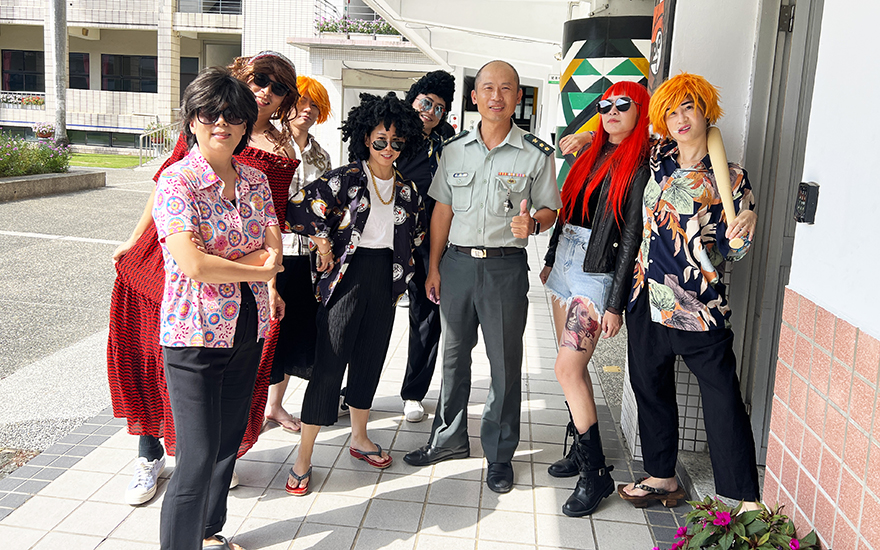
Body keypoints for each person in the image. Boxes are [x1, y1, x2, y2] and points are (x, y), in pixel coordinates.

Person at [107, 50, 300, 506]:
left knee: (229, 384)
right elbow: (164, 187)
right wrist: (134, 239)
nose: (266, 91)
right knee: (156, 360)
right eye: (260, 79)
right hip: (173, 262)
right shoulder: (205, 123)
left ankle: (210, 469)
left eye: (278, 87)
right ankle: (150, 455)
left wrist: (268, 278)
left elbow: (271, 222)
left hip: (241, 279)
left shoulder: (278, 148)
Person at [403, 60, 562, 494]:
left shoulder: (536, 153)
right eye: (488, 88)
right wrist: (434, 267)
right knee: (453, 358)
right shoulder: (454, 149)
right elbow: (442, 211)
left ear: (518, 97)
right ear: (474, 97)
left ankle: (499, 454)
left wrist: (535, 224)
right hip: (456, 265)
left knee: (505, 364)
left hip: (504, 268)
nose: (496, 96)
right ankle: (448, 440)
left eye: (506, 88)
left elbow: (549, 208)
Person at [153, 66, 283, 550]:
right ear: (192, 121)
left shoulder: (255, 179)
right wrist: (256, 268)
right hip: (193, 333)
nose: (221, 123)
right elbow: (193, 265)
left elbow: (273, 249)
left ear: (246, 123)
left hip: (246, 327)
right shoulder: (177, 181)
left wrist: (237, 264)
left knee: (228, 442)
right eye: (210, 114)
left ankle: (209, 532)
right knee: (196, 455)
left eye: (232, 115)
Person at [617, 73, 759, 509]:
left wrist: (747, 222)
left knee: (722, 398)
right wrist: (587, 139)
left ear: (705, 111)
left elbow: (735, 251)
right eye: (671, 111)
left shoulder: (731, 179)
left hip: (697, 303)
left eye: (689, 108)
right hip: (646, 296)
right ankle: (661, 477)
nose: (680, 118)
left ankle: (742, 498)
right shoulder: (658, 157)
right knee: (649, 387)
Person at [283, 92, 426, 496]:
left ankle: (360, 438)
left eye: (396, 142)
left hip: (386, 279)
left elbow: (415, 234)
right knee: (329, 364)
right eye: (380, 140)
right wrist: (323, 242)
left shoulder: (408, 189)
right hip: (347, 277)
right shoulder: (345, 178)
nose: (388, 148)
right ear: (366, 138)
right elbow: (298, 208)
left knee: (370, 360)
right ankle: (303, 457)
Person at [539, 81, 651, 516]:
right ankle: (580, 452)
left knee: (566, 367)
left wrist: (615, 303)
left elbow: (630, 237)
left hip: (597, 272)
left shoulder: (641, 163)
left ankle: (596, 472)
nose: (612, 111)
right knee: (573, 369)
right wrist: (550, 257)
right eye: (605, 105)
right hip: (566, 261)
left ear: (640, 111)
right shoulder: (592, 154)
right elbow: (567, 210)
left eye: (623, 104)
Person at [263, 75, 334, 433]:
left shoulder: (321, 155)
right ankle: (251, 410)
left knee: (292, 333)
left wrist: (324, 243)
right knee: (265, 333)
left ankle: (275, 406)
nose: (307, 110)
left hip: (307, 257)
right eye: (301, 102)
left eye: (315, 105)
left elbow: (324, 207)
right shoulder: (270, 145)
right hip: (270, 253)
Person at [396, 70, 456, 423]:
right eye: (426, 102)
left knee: (426, 316)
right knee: (369, 317)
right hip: (386, 238)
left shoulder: (448, 141)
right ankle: (350, 391)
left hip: (430, 242)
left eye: (439, 108)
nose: (430, 111)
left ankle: (413, 393)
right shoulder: (392, 131)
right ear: (413, 99)